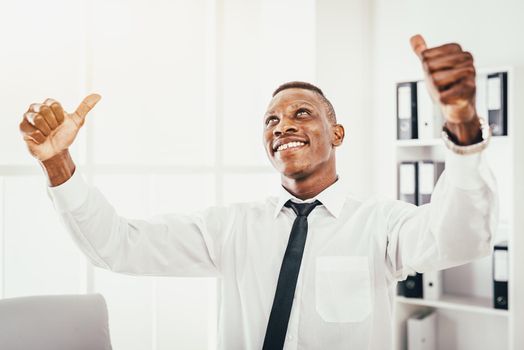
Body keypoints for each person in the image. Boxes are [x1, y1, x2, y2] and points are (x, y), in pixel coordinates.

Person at [19, 34, 497, 349]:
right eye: (272, 120)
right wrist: (57, 162)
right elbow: (118, 247)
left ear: (338, 133)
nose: (283, 124)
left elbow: (458, 237)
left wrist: (461, 126)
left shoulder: (382, 224)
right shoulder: (231, 227)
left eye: (302, 113)